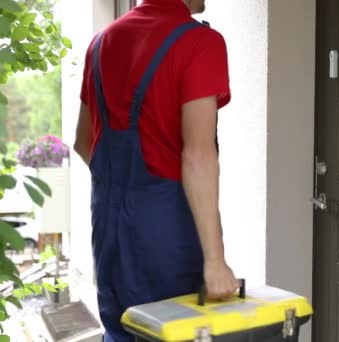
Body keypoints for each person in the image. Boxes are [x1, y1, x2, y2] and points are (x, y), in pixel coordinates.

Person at [73, 0, 240, 340]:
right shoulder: (199, 42)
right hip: (166, 230)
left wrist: (126, 190)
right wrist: (215, 260)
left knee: (120, 330)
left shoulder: (101, 43)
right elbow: (197, 155)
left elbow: (82, 141)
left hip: (108, 225)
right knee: (174, 330)